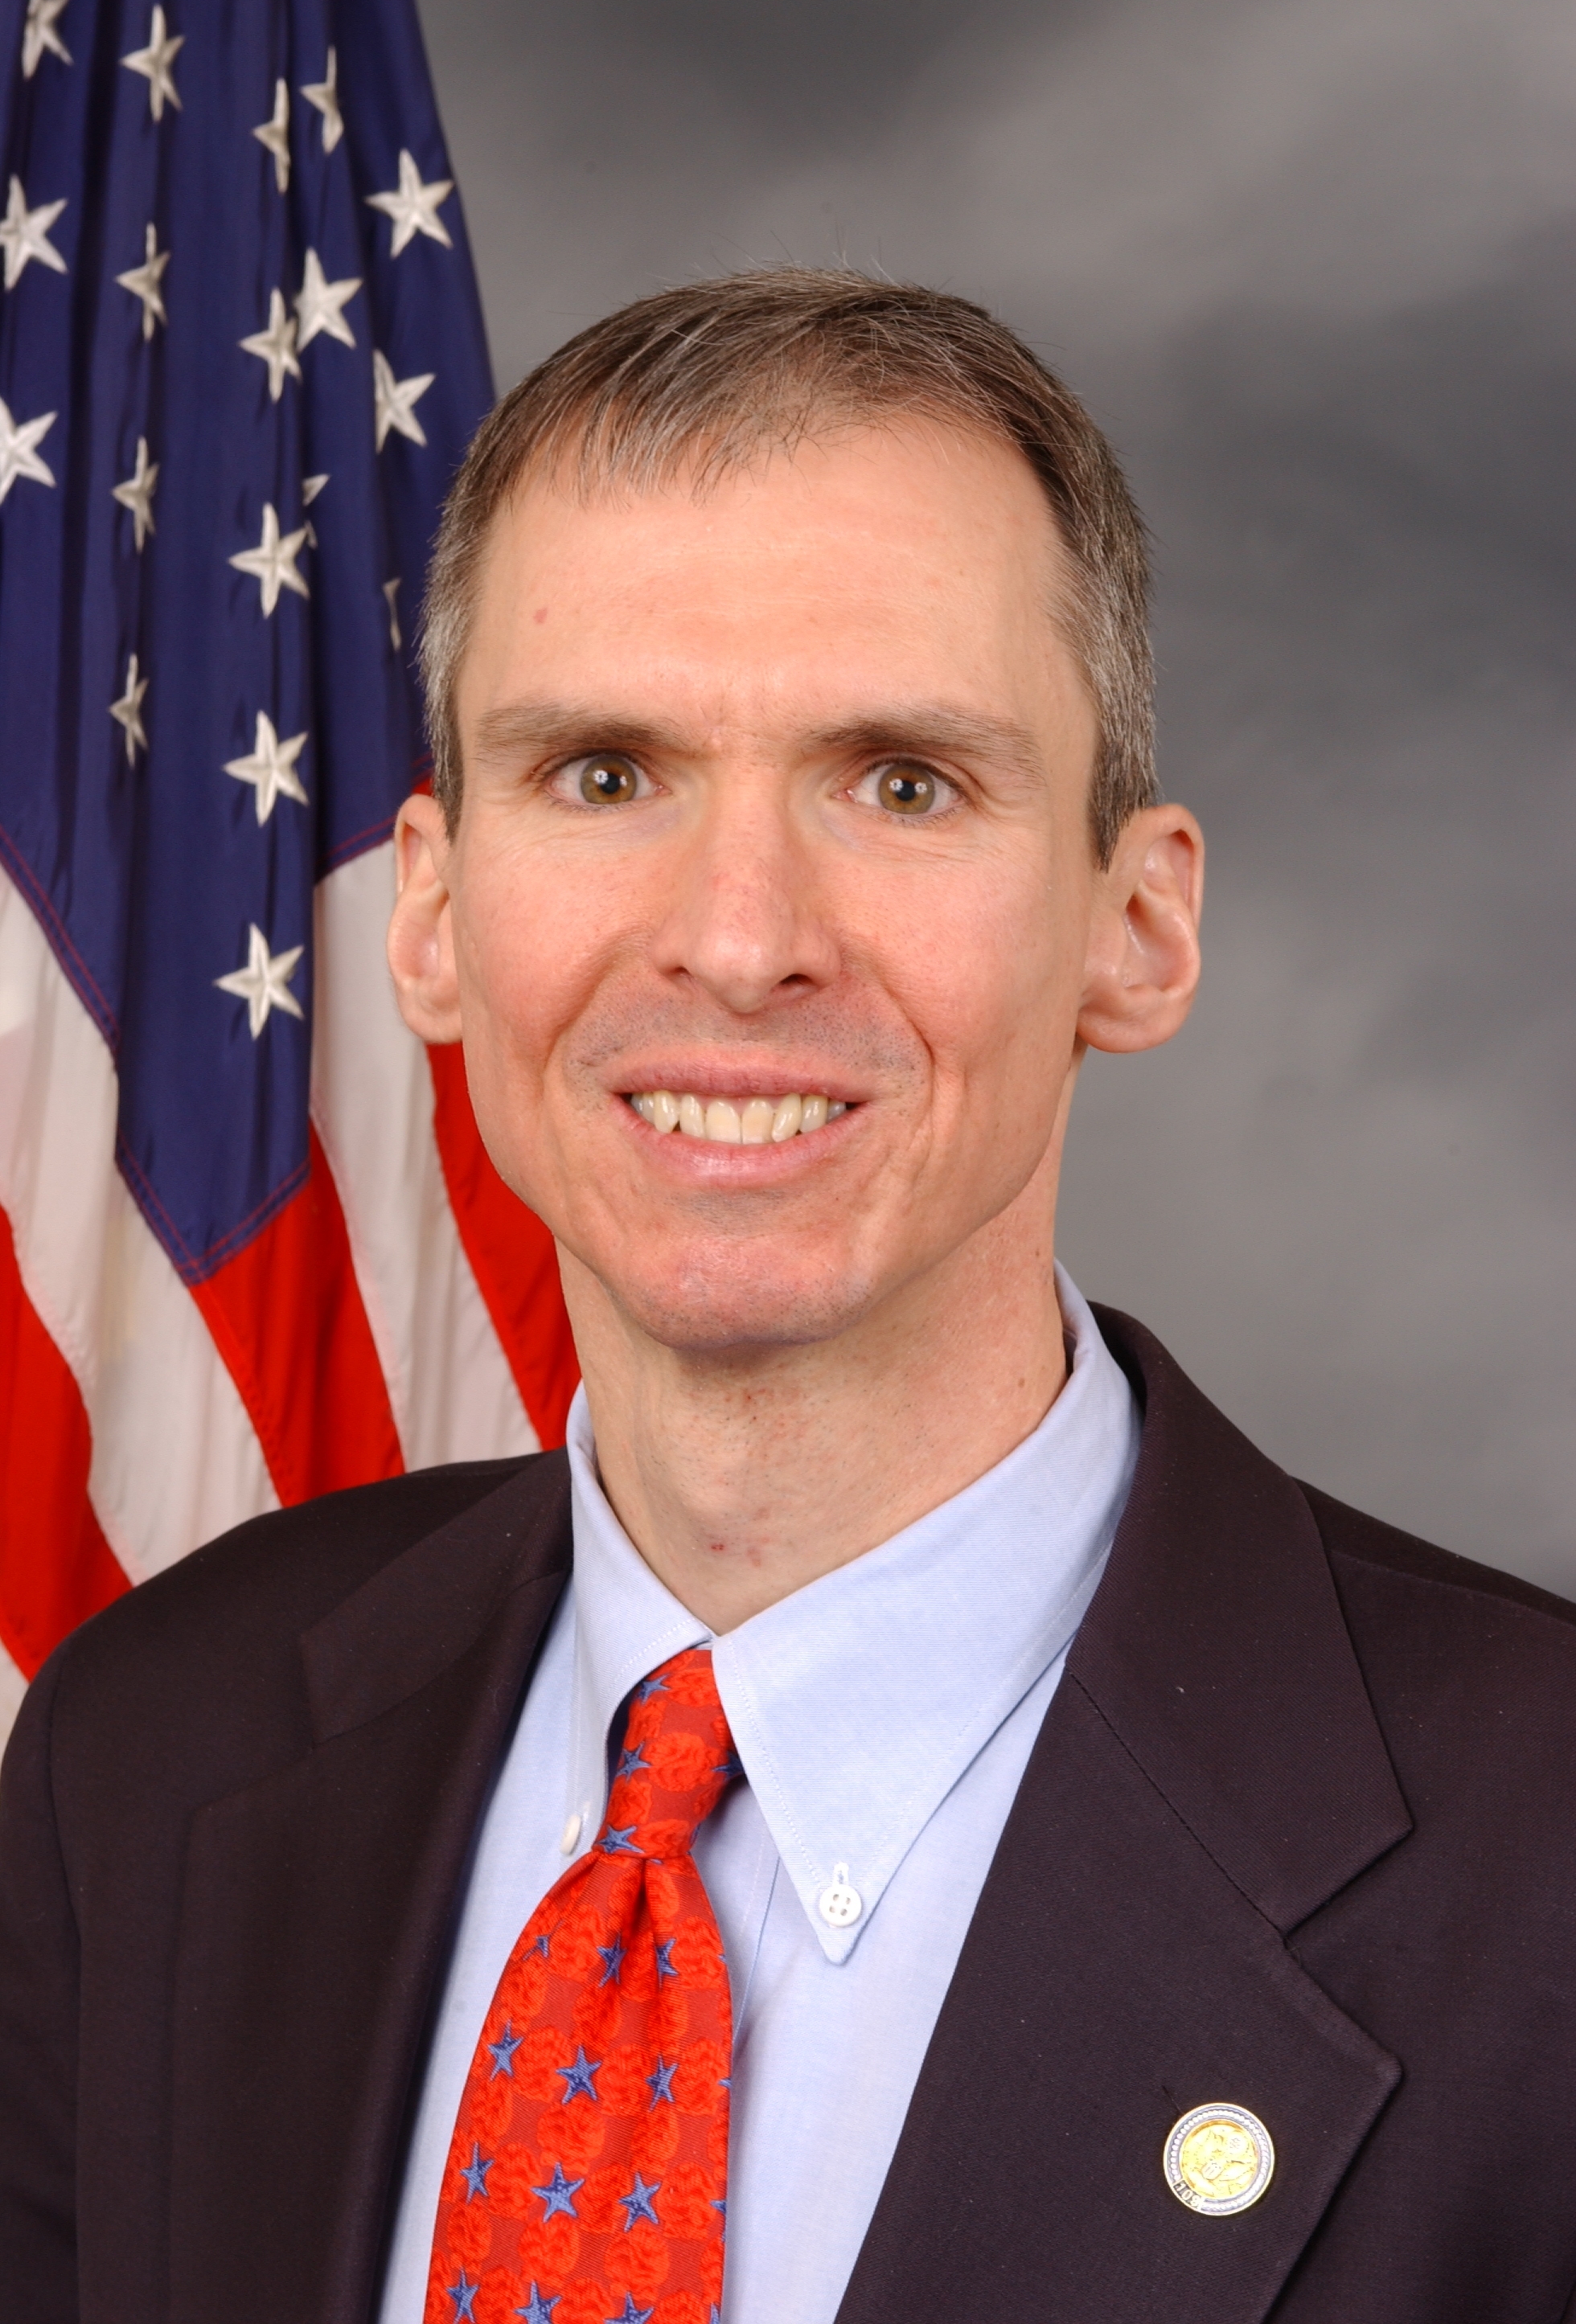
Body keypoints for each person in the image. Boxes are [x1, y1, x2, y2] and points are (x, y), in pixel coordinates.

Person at [2, 271, 1575, 2324]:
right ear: (436, 917)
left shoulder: (1535, 1867)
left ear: (1133, 925)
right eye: (603, 774)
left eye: (899, 781)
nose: (740, 942)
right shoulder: (152, 1750)